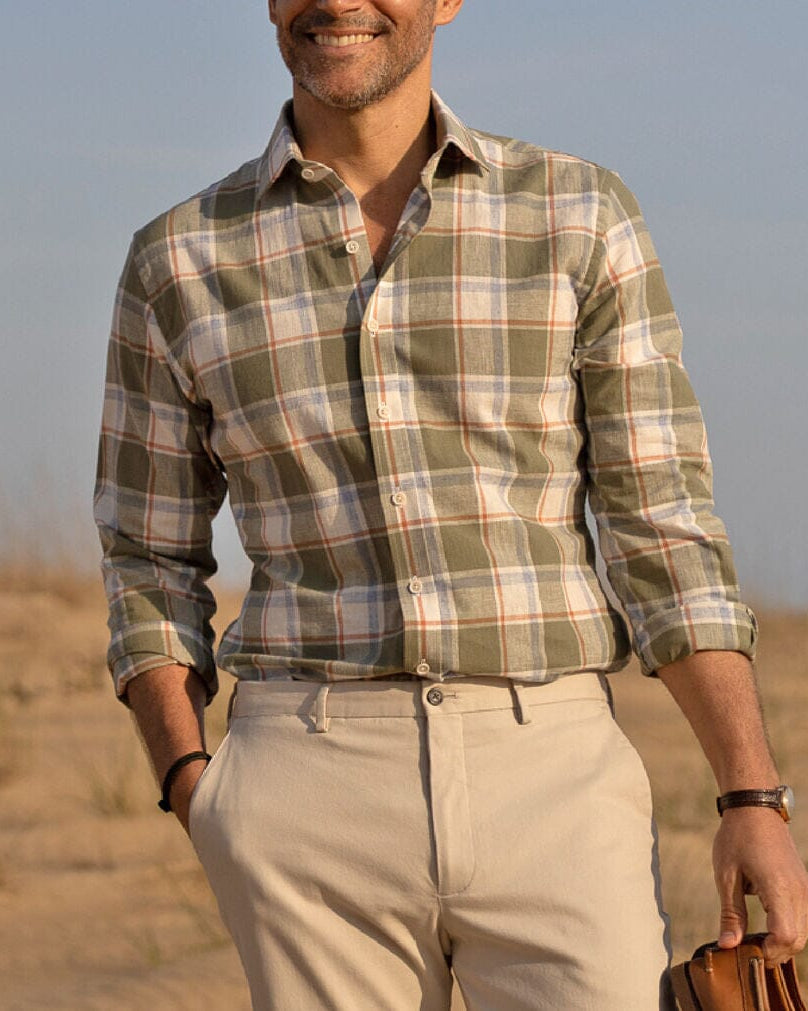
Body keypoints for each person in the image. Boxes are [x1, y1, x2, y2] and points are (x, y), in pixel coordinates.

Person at [94, 1, 808, 1007]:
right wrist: (191, 785)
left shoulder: (577, 216)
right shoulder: (177, 260)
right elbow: (146, 553)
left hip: (554, 780)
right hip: (303, 789)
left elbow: (660, 525)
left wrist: (750, 795)